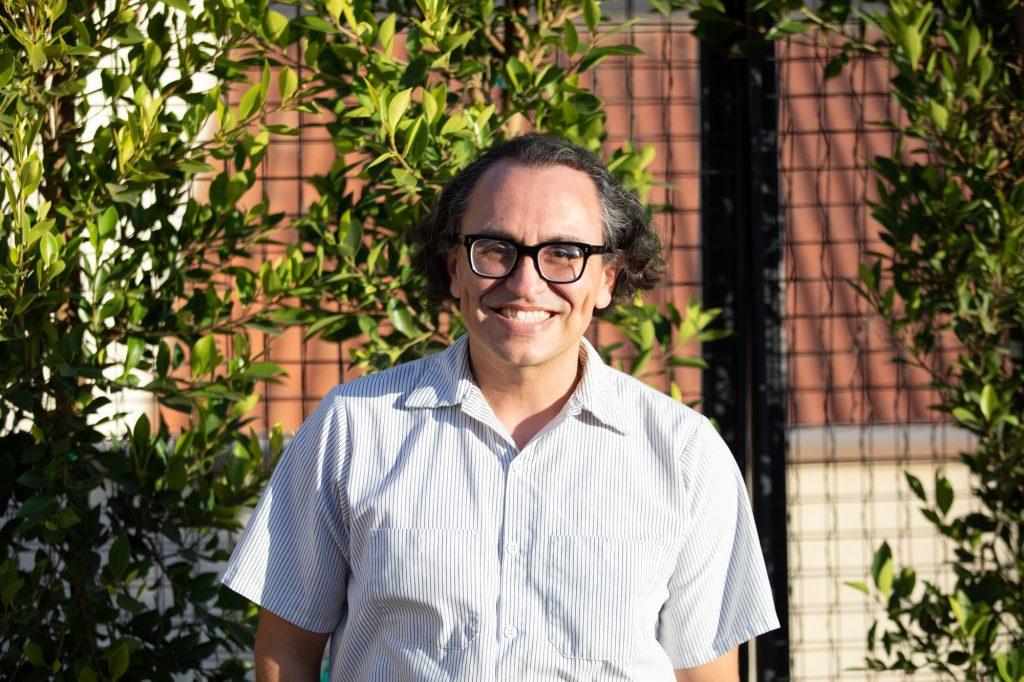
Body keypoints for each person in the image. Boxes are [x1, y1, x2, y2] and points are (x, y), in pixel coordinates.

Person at [221, 133, 780, 681]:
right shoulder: (352, 427)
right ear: (455, 268)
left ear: (608, 278)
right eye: (495, 249)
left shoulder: (685, 453)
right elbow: (285, 654)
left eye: (564, 253)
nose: (524, 282)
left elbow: (704, 674)